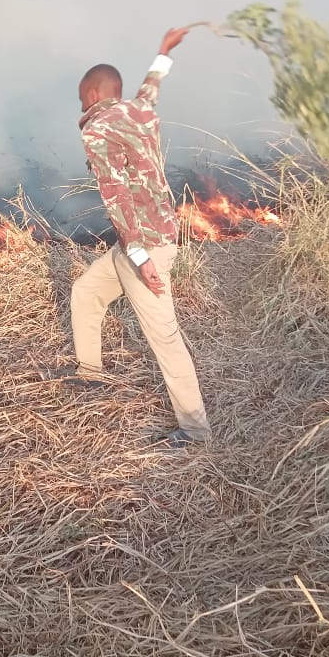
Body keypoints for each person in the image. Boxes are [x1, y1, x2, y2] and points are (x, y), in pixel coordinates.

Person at [67, 26, 212, 448]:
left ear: (93, 94)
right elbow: (151, 90)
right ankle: (90, 374)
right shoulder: (139, 112)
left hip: (142, 246)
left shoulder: (96, 129)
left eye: (81, 96)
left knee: (165, 339)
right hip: (153, 234)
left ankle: (195, 430)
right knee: (86, 292)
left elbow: (115, 195)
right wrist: (163, 53)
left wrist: (140, 257)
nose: (80, 104)